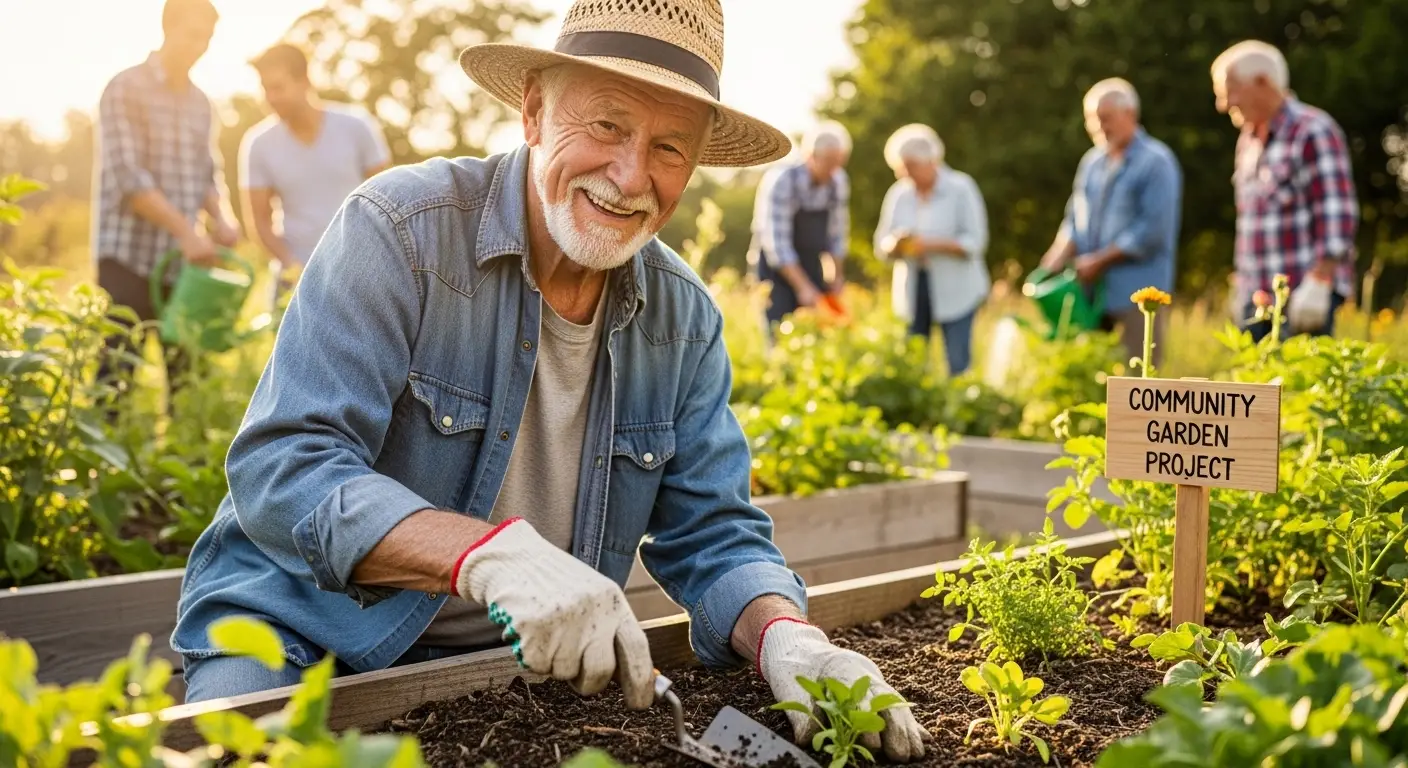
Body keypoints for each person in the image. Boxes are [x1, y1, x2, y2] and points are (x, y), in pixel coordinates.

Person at [170, 0, 928, 761]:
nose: (630, 177)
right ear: (534, 111)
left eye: (668, 147)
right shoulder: (399, 231)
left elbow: (714, 531)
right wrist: (485, 556)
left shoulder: (683, 318)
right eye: (605, 126)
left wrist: (787, 638)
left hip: (517, 678)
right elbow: (283, 469)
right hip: (299, 639)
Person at [92, 0, 239, 393]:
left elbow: (208, 174)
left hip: (183, 267)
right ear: (167, 27)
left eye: (208, 38)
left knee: (186, 380)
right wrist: (185, 231)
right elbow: (129, 178)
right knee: (116, 377)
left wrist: (221, 217)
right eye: (193, 34)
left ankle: (182, 454)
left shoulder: (200, 103)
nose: (201, 46)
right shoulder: (125, 87)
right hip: (128, 258)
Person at [1211, 40, 1358, 341]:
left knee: (1299, 386)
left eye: (1231, 89)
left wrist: (1320, 280)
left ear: (1263, 82)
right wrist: (1241, 284)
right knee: (1253, 386)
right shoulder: (1247, 142)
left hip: (1303, 296)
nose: (1224, 103)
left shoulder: (1312, 130)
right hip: (1256, 299)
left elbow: (1337, 213)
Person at [1039, 78, 1182, 368]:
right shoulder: (1091, 162)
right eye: (1091, 120)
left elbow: (1152, 230)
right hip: (1090, 293)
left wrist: (1100, 261)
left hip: (1139, 295)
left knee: (1138, 380)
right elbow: (1074, 218)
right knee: (1093, 375)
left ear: (1130, 114)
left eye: (1104, 118)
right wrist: (1058, 253)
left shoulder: (1156, 162)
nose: (1097, 127)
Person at [239, 43, 391, 279]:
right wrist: (292, 265)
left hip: (360, 271)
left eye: (278, 87)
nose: (270, 98)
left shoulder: (357, 126)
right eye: (265, 89)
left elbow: (387, 202)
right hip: (296, 277)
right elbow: (259, 222)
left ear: (305, 81)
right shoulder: (258, 144)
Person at [873, 124, 989, 376]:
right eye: (901, 168)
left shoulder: (961, 188)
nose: (904, 175)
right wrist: (896, 244)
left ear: (930, 162)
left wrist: (930, 244)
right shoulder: (899, 194)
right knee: (913, 362)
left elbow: (975, 242)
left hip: (957, 288)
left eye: (910, 167)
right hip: (914, 286)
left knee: (958, 364)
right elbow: (880, 245)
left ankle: (958, 410)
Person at [748, 121, 852, 332]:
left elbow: (836, 234)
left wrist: (836, 277)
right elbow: (778, 246)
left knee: (818, 331)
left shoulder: (838, 180)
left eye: (839, 163)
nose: (834, 171)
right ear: (810, 156)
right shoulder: (782, 180)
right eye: (829, 163)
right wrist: (804, 288)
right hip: (776, 269)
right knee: (779, 332)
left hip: (810, 263)